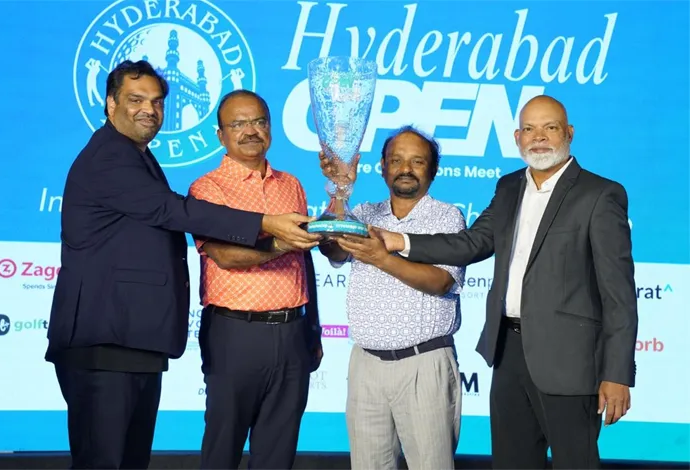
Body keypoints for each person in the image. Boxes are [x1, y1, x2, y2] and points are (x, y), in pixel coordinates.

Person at [44, 60, 321, 470]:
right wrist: (264, 224)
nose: (149, 109)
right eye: (136, 99)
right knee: (103, 461)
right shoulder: (109, 156)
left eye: (157, 101)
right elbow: (171, 210)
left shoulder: (138, 156)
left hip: (131, 341)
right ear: (110, 104)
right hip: (103, 342)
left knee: (129, 461)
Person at [369, 96, 638, 469]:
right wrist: (399, 241)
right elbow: (472, 243)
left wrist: (617, 374)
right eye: (529, 128)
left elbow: (619, 294)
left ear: (569, 133)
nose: (538, 137)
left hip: (571, 361)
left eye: (550, 127)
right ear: (517, 137)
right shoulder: (509, 187)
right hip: (508, 353)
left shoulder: (600, 194)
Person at [188, 90, 322, 470]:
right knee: (222, 449)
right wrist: (281, 242)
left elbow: (305, 262)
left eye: (259, 122)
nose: (251, 131)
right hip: (235, 334)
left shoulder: (291, 185)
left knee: (277, 455)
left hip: (293, 333)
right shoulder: (207, 188)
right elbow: (225, 255)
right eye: (238, 124)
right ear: (221, 135)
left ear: (270, 128)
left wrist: (313, 328)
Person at [318, 126, 466, 470]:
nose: (405, 169)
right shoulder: (364, 213)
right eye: (396, 160)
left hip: (423, 363)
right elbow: (332, 250)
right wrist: (340, 188)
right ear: (382, 167)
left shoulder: (447, 216)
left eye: (417, 161)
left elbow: (442, 281)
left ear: (433, 170)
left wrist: (382, 258)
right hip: (366, 365)